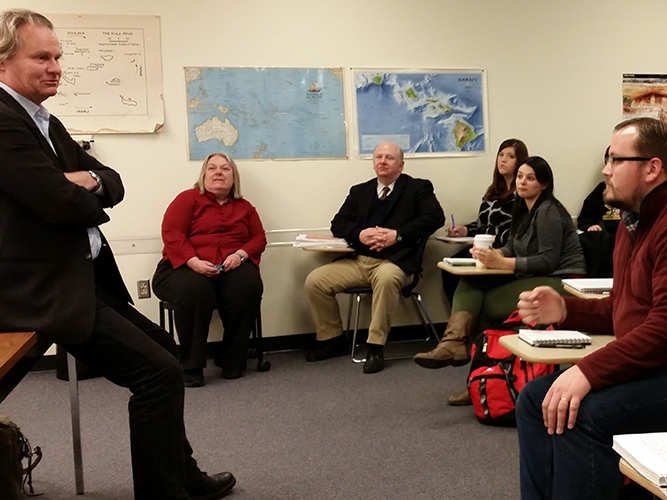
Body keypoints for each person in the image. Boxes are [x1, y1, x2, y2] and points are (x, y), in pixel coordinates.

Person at [0, 10, 234, 500]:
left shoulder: (45, 121)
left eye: (58, 56)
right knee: (157, 373)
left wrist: (83, 181)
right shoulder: (4, 121)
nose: (55, 67)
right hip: (42, 292)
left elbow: (113, 181)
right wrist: (75, 186)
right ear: (4, 61)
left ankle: (182, 477)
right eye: (41, 56)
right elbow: (58, 203)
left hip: (82, 282)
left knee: (164, 359)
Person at [515, 117, 667, 500]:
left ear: (652, 168)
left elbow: (663, 328)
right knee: (536, 400)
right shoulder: (632, 225)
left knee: (580, 414)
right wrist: (564, 310)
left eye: (616, 160)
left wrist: (588, 370)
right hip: (648, 367)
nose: (605, 170)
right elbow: (625, 307)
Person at [414, 156, 585, 405]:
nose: (523, 182)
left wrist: (504, 262)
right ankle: (477, 373)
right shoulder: (523, 208)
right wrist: (491, 255)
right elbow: (512, 247)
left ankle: (475, 367)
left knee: (482, 307)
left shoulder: (548, 210)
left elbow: (547, 260)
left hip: (561, 282)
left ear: (544, 184)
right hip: (535, 276)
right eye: (520, 177)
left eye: (530, 178)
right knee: (471, 283)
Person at [304, 141, 445, 373]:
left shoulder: (417, 188)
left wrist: (397, 235)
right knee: (316, 280)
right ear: (373, 163)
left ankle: (375, 347)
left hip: (396, 263)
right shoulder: (360, 191)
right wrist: (359, 234)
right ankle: (332, 339)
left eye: (389, 158)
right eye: (378, 157)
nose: (382, 161)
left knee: (387, 278)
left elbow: (434, 218)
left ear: (401, 165)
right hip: (360, 262)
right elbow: (338, 223)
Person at [152, 153, 266, 387]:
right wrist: (193, 261)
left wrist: (240, 254)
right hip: (183, 266)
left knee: (248, 286)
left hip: (229, 267)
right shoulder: (187, 200)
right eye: (212, 168)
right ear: (203, 175)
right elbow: (172, 234)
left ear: (234, 178)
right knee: (195, 290)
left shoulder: (245, 207)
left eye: (225, 169)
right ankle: (191, 366)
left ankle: (232, 360)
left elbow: (259, 238)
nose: (218, 173)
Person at [443, 138, 528, 301]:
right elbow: (483, 225)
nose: (503, 160)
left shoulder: (522, 194)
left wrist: (497, 237)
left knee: (464, 271)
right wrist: (464, 230)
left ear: (520, 162)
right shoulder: (494, 191)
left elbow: (524, 230)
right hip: (483, 245)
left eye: (510, 156)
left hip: (505, 248)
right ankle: (460, 315)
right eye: (501, 154)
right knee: (449, 268)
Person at [576, 146, 620, 278]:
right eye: (608, 160)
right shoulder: (603, 189)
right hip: (608, 238)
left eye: (615, 160)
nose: (606, 169)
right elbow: (584, 217)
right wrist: (590, 226)